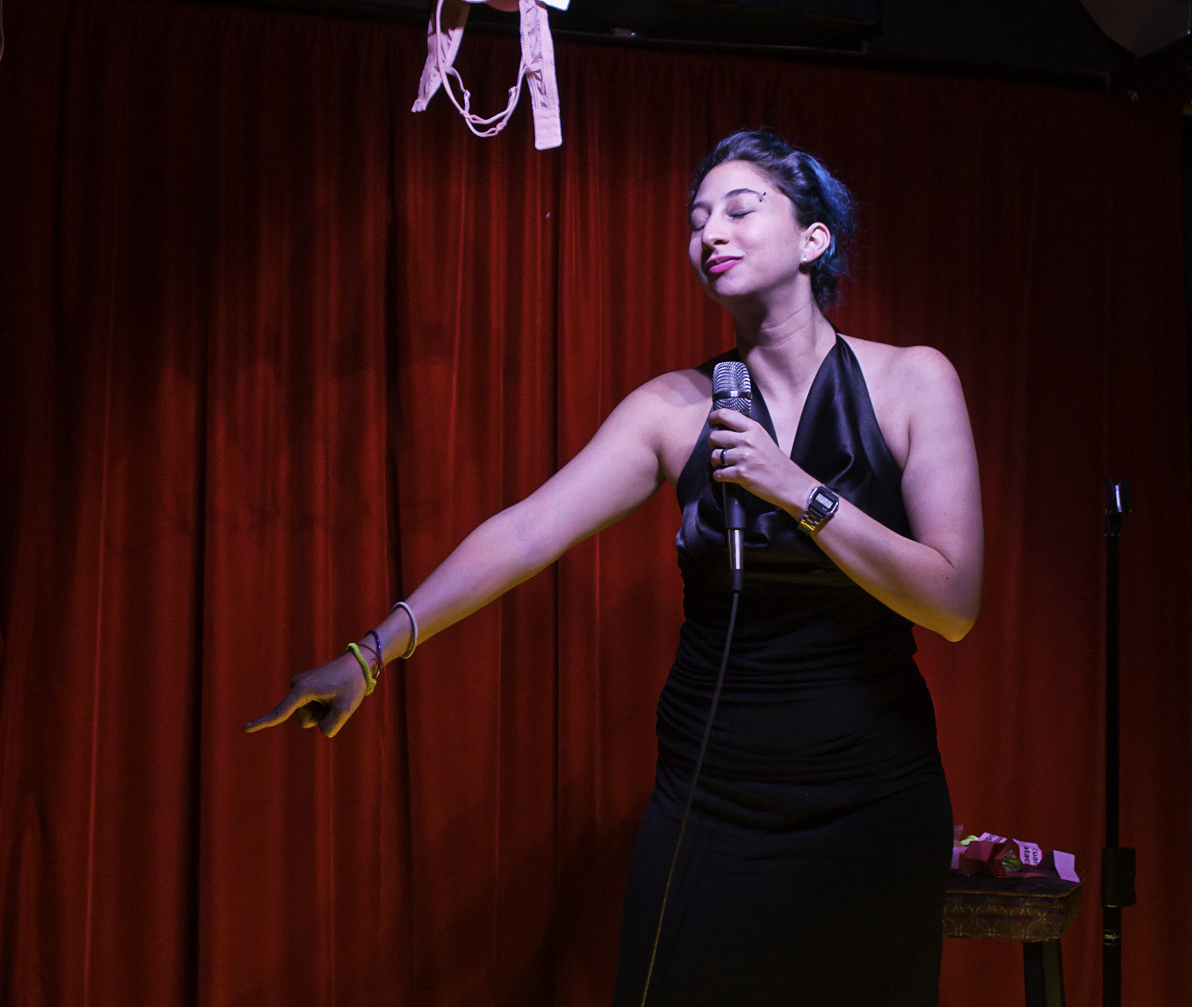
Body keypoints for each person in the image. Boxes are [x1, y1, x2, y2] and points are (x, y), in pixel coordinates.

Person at [246, 128, 983, 1006]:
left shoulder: (913, 382)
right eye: (697, 219)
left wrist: (797, 491)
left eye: (739, 209)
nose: (710, 232)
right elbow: (526, 533)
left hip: (871, 797)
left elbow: (952, 603)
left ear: (813, 239)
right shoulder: (673, 408)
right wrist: (370, 654)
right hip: (715, 799)